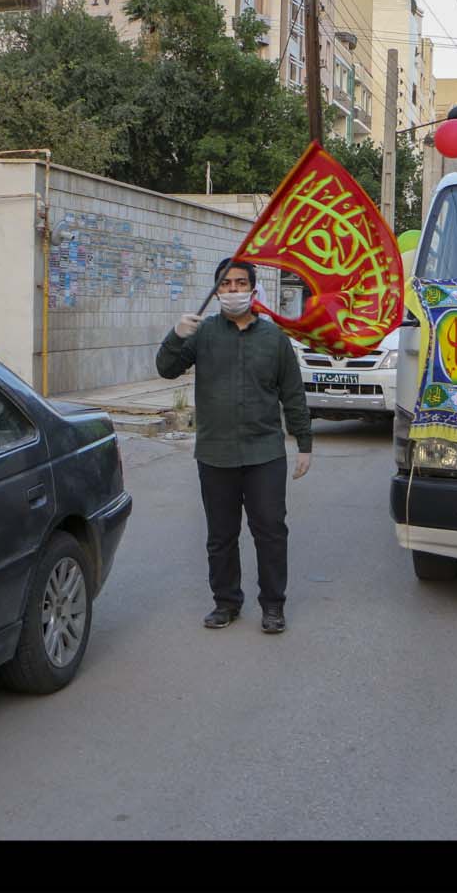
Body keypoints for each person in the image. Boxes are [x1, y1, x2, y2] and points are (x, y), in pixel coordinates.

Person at [156, 259, 312, 634]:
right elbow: (166, 368)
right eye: (225, 284)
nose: (233, 290)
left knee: (271, 532)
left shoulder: (274, 339)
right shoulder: (203, 333)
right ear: (217, 291)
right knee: (221, 535)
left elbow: (292, 393)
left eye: (241, 283)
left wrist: (304, 443)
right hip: (216, 453)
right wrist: (176, 334)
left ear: (253, 289)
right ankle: (226, 603)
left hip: (265, 453)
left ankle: (273, 606)